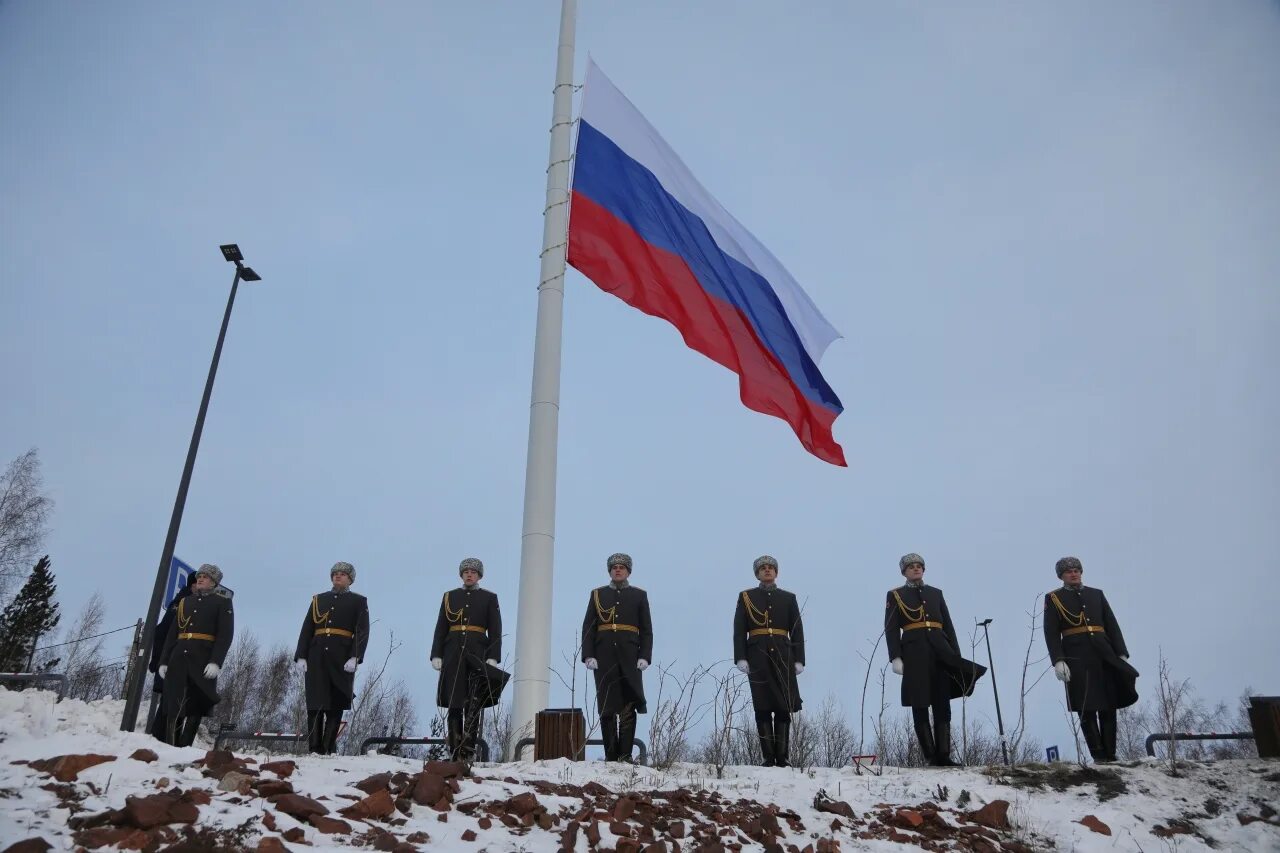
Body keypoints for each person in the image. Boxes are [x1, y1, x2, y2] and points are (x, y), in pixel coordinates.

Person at [884, 553, 986, 767]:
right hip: (914, 654)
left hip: (941, 652)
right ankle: (930, 756)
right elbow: (891, 629)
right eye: (911, 566)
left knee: (942, 703)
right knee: (919, 703)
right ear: (904, 571)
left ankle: (944, 755)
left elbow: (948, 626)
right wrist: (895, 657)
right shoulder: (895, 595)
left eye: (919, 565)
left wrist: (955, 656)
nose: (916, 569)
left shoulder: (935, 594)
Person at [1043, 556, 1138, 763]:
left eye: (1077, 570)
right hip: (1076, 657)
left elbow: (1111, 624)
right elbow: (1051, 633)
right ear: (1061, 576)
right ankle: (1098, 754)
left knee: (1109, 704)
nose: (1074, 573)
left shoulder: (1096, 594)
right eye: (1069, 571)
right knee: (1086, 706)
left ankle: (1111, 754)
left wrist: (1120, 653)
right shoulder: (1054, 598)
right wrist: (1058, 660)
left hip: (1105, 655)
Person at [733, 555, 804, 767]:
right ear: (757, 573)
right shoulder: (746, 596)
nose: (767, 570)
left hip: (783, 655)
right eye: (762, 568)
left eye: (771, 567)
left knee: (784, 705)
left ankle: (782, 757)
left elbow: (797, 630)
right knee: (762, 705)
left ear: (776, 572)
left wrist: (799, 659)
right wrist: (740, 657)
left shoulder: (788, 598)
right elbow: (739, 631)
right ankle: (767, 757)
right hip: (757, 656)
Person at [582, 552, 653, 763]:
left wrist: (645, 656)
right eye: (614, 567)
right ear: (610, 571)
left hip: (631, 658)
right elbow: (588, 627)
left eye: (622, 567)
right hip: (604, 658)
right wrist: (588, 655)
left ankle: (625, 755)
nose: (618, 569)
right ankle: (611, 756)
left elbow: (647, 630)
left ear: (628, 571)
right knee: (607, 707)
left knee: (628, 707)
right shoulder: (597, 595)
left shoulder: (639, 595)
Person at [430, 558, 502, 761]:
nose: (469, 574)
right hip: (452, 653)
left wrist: (493, 657)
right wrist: (436, 654)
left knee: (473, 703)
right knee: (454, 702)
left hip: (477, 654)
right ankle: (454, 750)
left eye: (473, 572)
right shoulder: (449, 597)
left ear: (479, 575)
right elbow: (440, 628)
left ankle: (468, 751)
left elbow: (496, 630)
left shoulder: (489, 598)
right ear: (461, 574)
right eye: (466, 571)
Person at [294, 561, 370, 754]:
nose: (338, 576)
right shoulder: (318, 600)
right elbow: (307, 628)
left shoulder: (358, 601)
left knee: (335, 702)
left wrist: (356, 656)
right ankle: (313, 749)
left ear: (350, 579)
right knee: (314, 702)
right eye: (335, 573)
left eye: (343, 574)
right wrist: (301, 655)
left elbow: (362, 631)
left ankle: (327, 749)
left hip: (341, 657)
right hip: (316, 655)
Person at [157, 564, 234, 747]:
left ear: (214, 582)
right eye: (199, 576)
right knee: (174, 705)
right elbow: (172, 634)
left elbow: (225, 635)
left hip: (203, 660)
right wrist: (164, 661)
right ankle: (171, 746)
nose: (200, 579)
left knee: (195, 706)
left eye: (205, 577)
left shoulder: (222, 603)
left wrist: (216, 661)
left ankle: (184, 748)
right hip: (178, 658)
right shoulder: (185, 602)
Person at [148, 572, 198, 743]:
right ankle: (159, 747)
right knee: (170, 710)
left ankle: (168, 748)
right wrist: (157, 662)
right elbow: (162, 633)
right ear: (193, 585)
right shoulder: (180, 605)